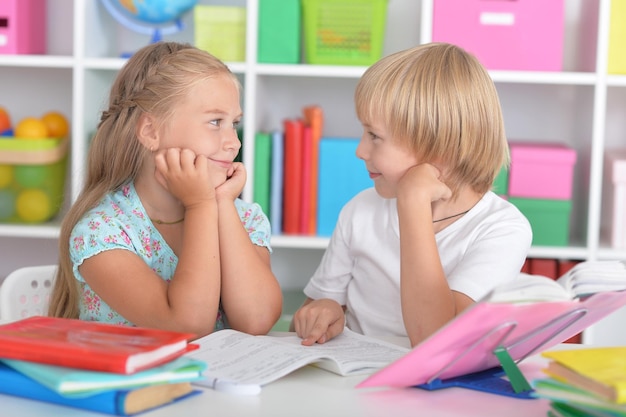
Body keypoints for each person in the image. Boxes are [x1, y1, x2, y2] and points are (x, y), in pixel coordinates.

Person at [291, 43, 532, 347]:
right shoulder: (360, 210)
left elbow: (437, 340)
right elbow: (318, 308)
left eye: (375, 136)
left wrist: (413, 202)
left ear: (440, 148)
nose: (360, 150)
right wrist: (325, 310)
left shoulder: (502, 229)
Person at [48, 41, 282, 338]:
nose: (233, 143)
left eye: (233, 123)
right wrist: (200, 206)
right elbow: (187, 325)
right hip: (132, 384)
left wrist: (220, 203)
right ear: (150, 132)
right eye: (215, 122)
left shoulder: (243, 218)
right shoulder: (102, 232)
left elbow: (257, 320)